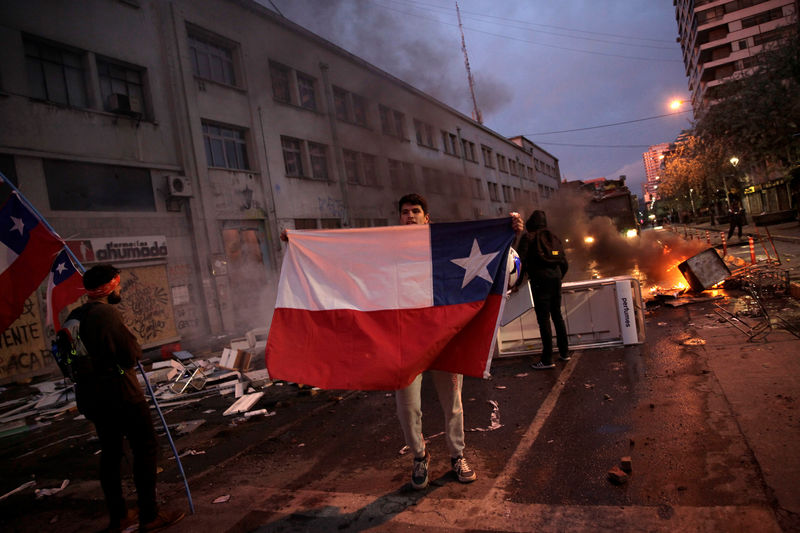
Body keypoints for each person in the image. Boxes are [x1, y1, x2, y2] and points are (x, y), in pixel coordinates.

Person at [394, 193, 523, 489]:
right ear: (398, 218)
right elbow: (351, 258)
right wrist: (299, 245)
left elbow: (493, 258)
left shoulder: (447, 244)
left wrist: (511, 232)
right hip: (407, 343)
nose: (410, 215)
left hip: (444, 339)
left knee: (452, 402)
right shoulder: (390, 251)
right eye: (404, 212)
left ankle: (457, 455)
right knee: (407, 408)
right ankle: (419, 456)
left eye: (415, 211)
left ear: (427, 217)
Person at [67, 264, 184, 533]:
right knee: (145, 450)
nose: (119, 289)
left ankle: (119, 516)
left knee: (110, 454)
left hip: (92, 398)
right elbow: (130, 355)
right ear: (109, 287)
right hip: (122, 395)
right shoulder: (106, 313)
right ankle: (149, 515)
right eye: (117, 284)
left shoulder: (75, 316)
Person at [515, 210, 569, 370]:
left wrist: (517, 282)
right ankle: (565, 353)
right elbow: (564, 263)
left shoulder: (528, 237)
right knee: (557, 316)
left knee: (544, 320)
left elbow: (520, 262)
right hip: (555, 280)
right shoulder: (553, 237)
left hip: (539, 282)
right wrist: (558, 277)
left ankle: (547, 359)